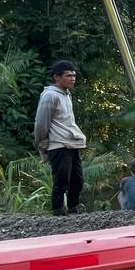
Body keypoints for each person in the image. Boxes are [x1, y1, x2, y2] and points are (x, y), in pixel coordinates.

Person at [34, 59, 88, 215]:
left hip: (71, 142)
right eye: (68, 76)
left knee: (77, 180)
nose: (72, 78)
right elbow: (41, 123)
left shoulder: (66, 94)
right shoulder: (50, 95)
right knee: (62, 180)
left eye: (74, 75)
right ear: (56, 77)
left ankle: (73, 208)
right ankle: (58, 210)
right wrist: (42, 142)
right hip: (58, 144)